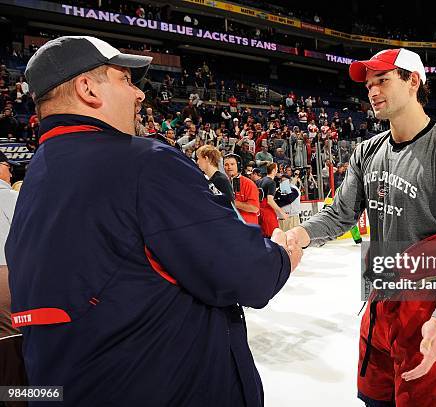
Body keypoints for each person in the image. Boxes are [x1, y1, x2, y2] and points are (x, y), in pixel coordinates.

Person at [7, 36, 302, 406]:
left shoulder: (35, 179)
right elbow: (249, 274)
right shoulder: (145, 163)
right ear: (87, 88)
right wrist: (280, 258)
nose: (139, 95)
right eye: (126, 80)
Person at [287, 48, 436, 406]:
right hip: (381, 307)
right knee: (374, 400)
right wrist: (298, 235)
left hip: (435, 314)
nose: (372, 91)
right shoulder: (366, 151)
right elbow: (340, 215)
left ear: (413, 81)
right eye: (368, 85)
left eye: (382, 80)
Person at [0, 152, 25, 393]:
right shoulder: (10, 197)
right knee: (14, 350)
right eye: (8, 167)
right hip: (7, 276)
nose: (11, 172)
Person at [224, 153, 260, 225]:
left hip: (247, 227)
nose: (229, 167)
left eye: (232, 164)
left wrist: (232, 202)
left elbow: (255, 208)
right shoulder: (223, 183)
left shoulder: (249, 184)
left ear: (238, 166)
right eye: (226, 165)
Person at [257, 163, 287, 237]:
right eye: (277, 169)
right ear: (274, 170)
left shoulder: (259, 181)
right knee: (272, 235)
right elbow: (270, 201)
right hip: (267, 211)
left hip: (259, 210)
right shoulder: (271, 182)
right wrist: (281, 212)